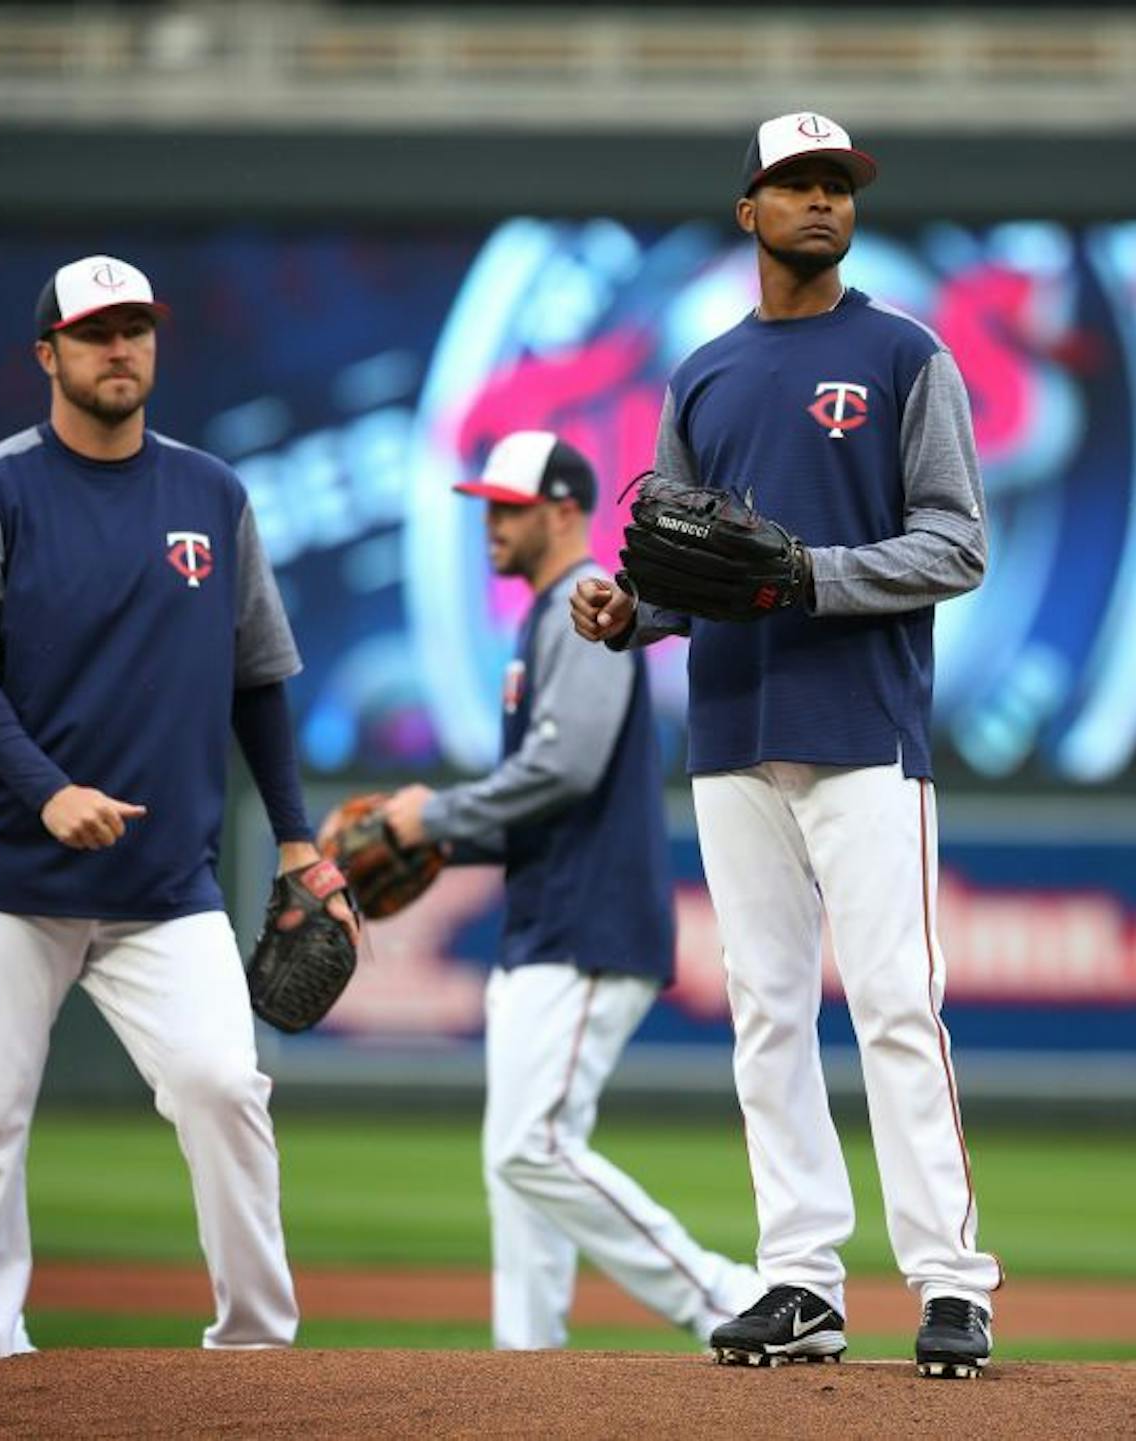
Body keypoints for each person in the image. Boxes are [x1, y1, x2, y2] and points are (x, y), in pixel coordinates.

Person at [570, 112, 1000, 1378]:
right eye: (795, 183)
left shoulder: (907, 353)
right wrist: (629, 611)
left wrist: (812, 574)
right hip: (730, 728)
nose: (821, 200)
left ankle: (952, 1281)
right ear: (748, 210)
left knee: (896, 1004)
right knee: (765, 1010)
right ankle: (802, 1278)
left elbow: (958, 543)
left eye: (837, 183)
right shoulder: (703, 374)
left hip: (864, 724)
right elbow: (676, 566)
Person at [0, 255, 348, 1365]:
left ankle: (256, 1348)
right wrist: (47, 792)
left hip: (165, 883)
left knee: (223, 1087)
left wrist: (296, 839)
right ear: (47, 353)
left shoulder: (211, 494)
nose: (118, 348)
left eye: (135, 328)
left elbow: (258, 678)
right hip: (6, 877)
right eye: (95, 332)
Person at [375, 430, 759, 1350]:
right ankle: (527, 1363)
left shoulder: (586, 608)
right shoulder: (543, 615)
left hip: (588, 923)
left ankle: (722, 1295)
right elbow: (540, 799)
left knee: (530, 1147)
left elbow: (566, 768)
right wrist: (439, 836)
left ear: (563, 510)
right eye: (487, 508)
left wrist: (435, 817)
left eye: (508, 508)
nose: (491, 526)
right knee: (517, 1169)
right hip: (547, 920)